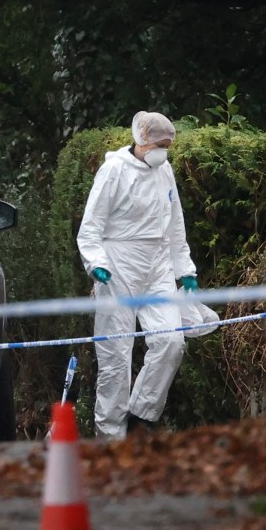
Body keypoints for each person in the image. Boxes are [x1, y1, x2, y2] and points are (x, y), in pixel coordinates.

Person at [77, 111, 199, 440]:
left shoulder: (165, 171)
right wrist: (97, 263)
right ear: (143, 140)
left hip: (158, 265)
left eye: (168, 146)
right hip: (118, 267)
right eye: (161, 145)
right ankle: (110, 437)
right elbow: (90, 228)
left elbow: (175, 225)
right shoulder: (114, 170)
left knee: (171, 342)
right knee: (115, 354)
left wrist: (184, 269)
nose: (165, 151)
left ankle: (140, 416)